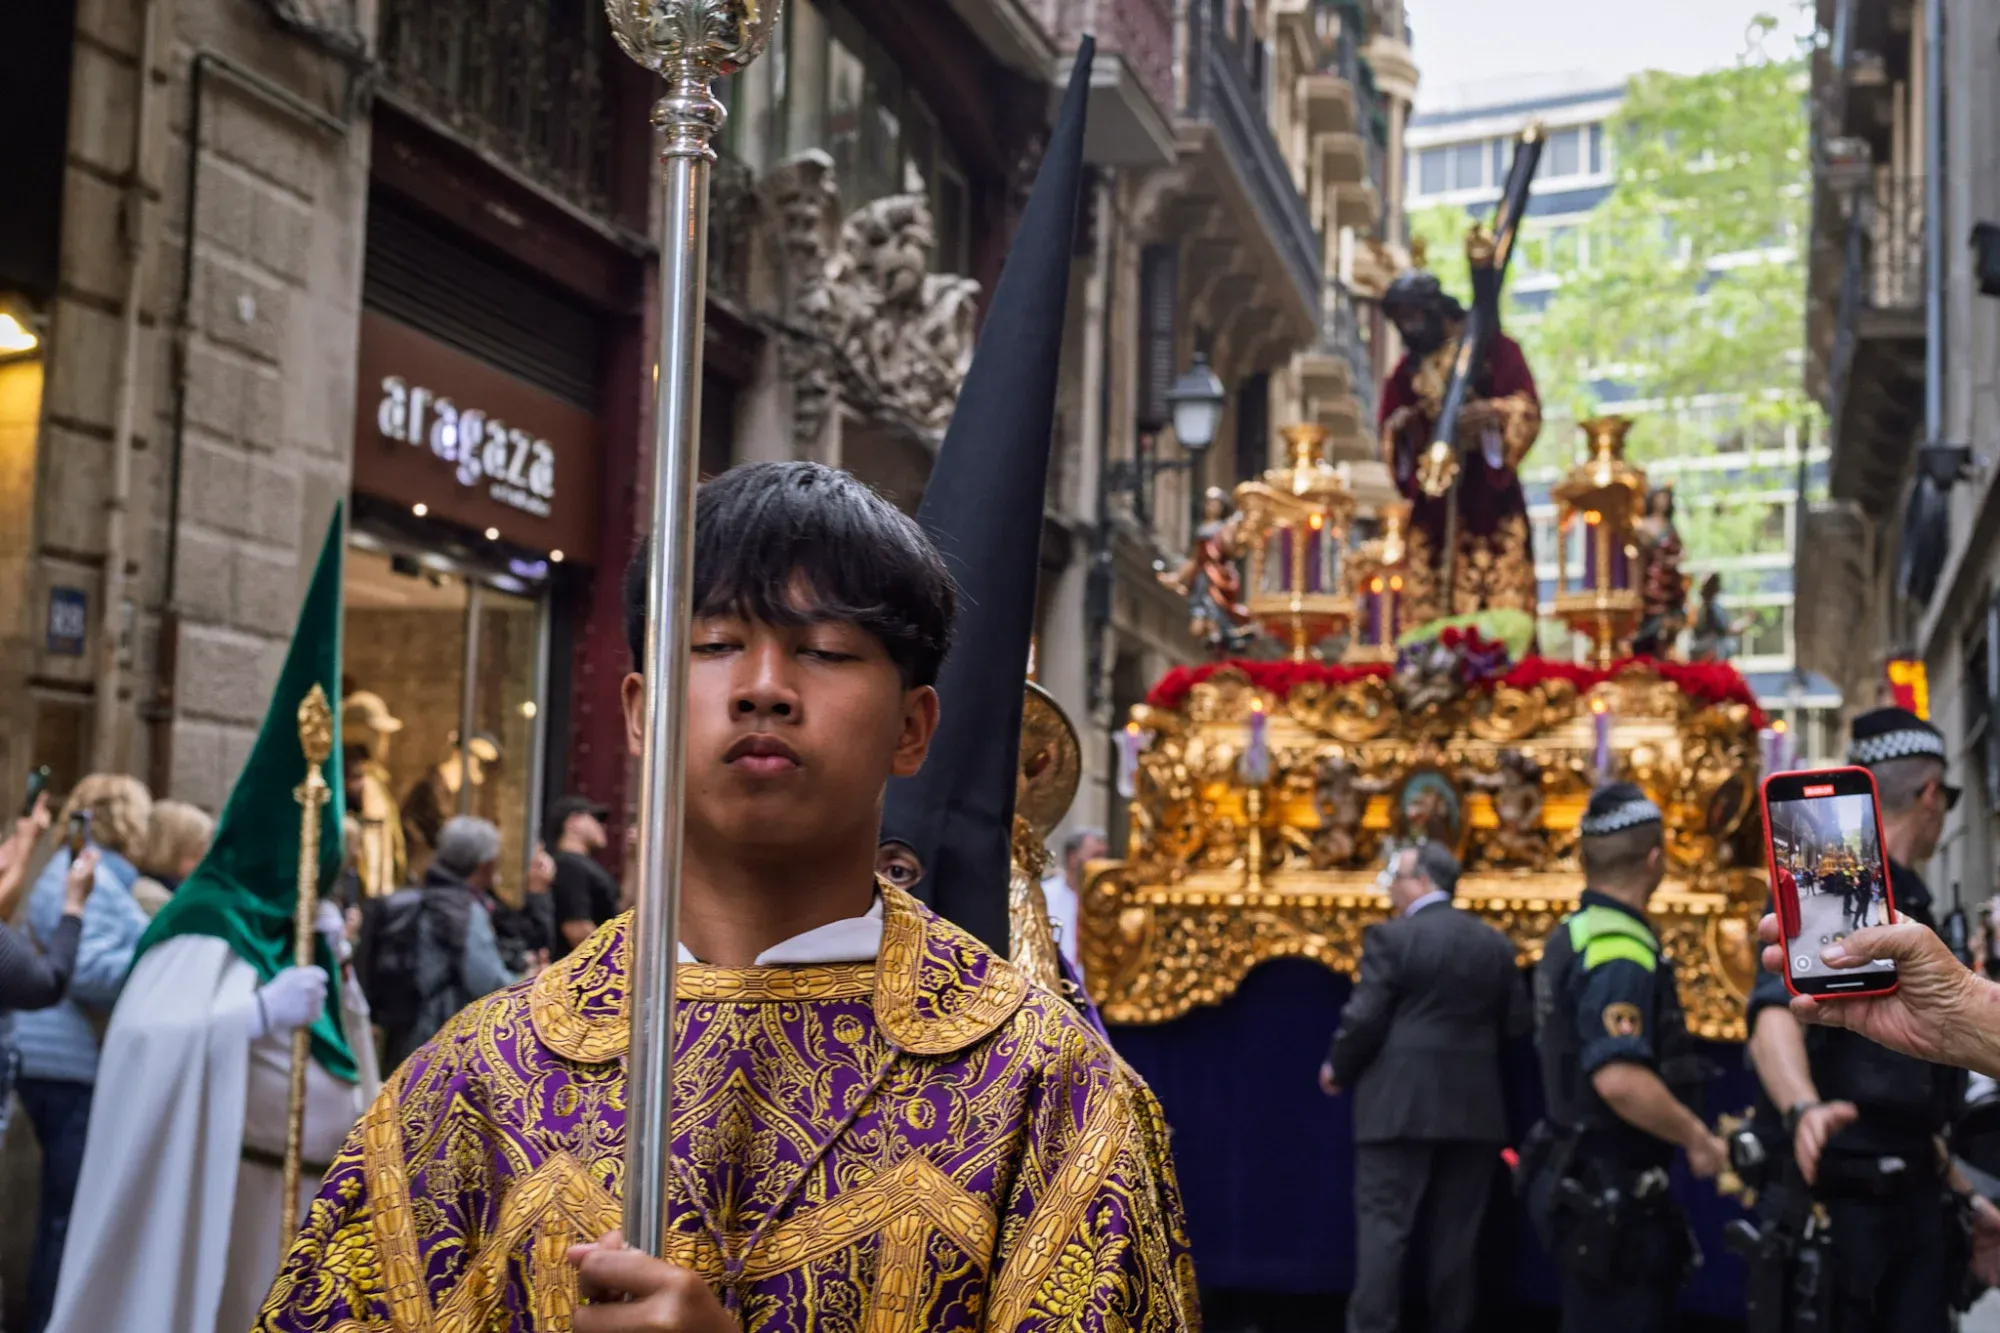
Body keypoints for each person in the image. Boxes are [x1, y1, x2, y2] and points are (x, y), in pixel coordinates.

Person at [256, 466, 1192, 1329]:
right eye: (714, 643)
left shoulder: (1050, 1094)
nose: (764, 688)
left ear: (912, 729)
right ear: (638, 711)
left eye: (824, 650)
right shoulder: (478, 1080)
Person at [1745, 706, 1999, 1330]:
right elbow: (1773, 1016)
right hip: (1839, 1212)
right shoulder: (1824, 887)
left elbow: (1917, 1097)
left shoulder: (1915, 904)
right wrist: (1803, 1108)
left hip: (1915, 1207)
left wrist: (1966, 1198)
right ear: (1932, 793)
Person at [1522, 782, 1727, 1333]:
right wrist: (1697, 1139)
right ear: (1655, 860)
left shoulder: (1575, 933)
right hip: (1615, 1202)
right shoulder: (1621, 949)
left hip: (1584, 1187)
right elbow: (1618, 1079)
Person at [1320, 841, 1529, 1333]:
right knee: (1457, 1240)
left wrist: (1337, 1068)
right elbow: (1517, 1024)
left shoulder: (1392, 939)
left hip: (1397, 1107)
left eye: (1398, 876)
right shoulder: (1495, 944)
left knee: (1384, 1232)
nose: (1391, 886)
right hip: (1475, 1110)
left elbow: (1364, 1018)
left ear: (1424, 882)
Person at [11, 772, 153, 1333]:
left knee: (63, 1213)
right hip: (63, 1060)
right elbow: (84, 971)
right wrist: (155, 960)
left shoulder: (82, 872)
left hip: (53, 1055)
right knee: (66, 1216)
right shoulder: (84, 875)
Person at [1377, 251, 1542, 625]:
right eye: (1401, 320)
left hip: (1490, 502)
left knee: (1499, 606)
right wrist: (1406, 428)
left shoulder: (1494, 349)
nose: (1409, 328)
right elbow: (1389, 426)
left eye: (1414, 316)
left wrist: (1493, 416)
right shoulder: (1407, 372)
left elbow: (1526, 407)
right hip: (1434, 510)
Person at [358, 814, 522, 1069]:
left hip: (406, 1032)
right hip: (440, 1034)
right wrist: (531, 985)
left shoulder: (431, 898)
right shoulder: (465, 908)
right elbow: (488, 982)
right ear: (484, 864)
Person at [340, 689, 407, 898]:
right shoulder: (351, 781)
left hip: (378, 894)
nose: (384, 740)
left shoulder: (374, 779)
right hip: (360, 895)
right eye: (378, 733)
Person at [545, 792, 620, 958]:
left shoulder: (582, 865)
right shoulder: (569, 865)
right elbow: (577, 929)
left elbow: (619, 909)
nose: (602, 826)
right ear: (573, 822)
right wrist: (616, 964)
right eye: (595, 818)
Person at [129, 798, 214, 916]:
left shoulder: (171, 890)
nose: (204, 862)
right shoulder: (152, 899)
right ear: (171, 850)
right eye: (195, 853)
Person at [1039, 825, 1104, 973]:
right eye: (1095, 857)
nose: (1102, 866)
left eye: (1104, 857)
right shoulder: (1044, 896)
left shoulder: (1109, 903)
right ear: (1072, 857)